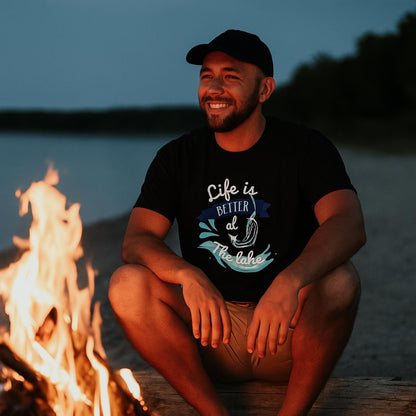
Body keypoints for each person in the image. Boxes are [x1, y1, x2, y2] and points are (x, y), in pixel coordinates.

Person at [109, 29, 366, 416]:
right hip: (212, 332)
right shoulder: (178, 157)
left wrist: (290, 281)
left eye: (231, 76)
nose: (213, 87)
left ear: (265, 90)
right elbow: (137, 240)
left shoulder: (306, 148)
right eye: (206, 75)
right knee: (126, 284)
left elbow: (347, 223)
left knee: (341, 280)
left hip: (285, 331)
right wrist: (188, 276)